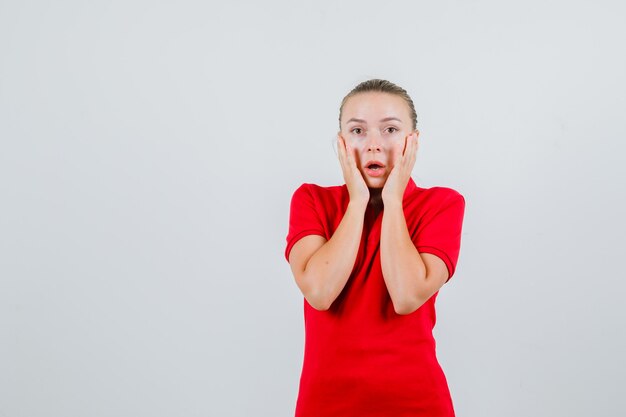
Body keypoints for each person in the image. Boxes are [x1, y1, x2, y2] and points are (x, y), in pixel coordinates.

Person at [284, 79, 466, 416]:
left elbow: (407, 296)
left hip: (418, 404)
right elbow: (320, 292)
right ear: (340, 142)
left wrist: (394, 201)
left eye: (390, 130)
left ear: (413, 142)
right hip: (326, 405)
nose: (373, 145)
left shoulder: (441, 204)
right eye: (357, 131)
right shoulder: (312, 200)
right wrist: (357, 202)